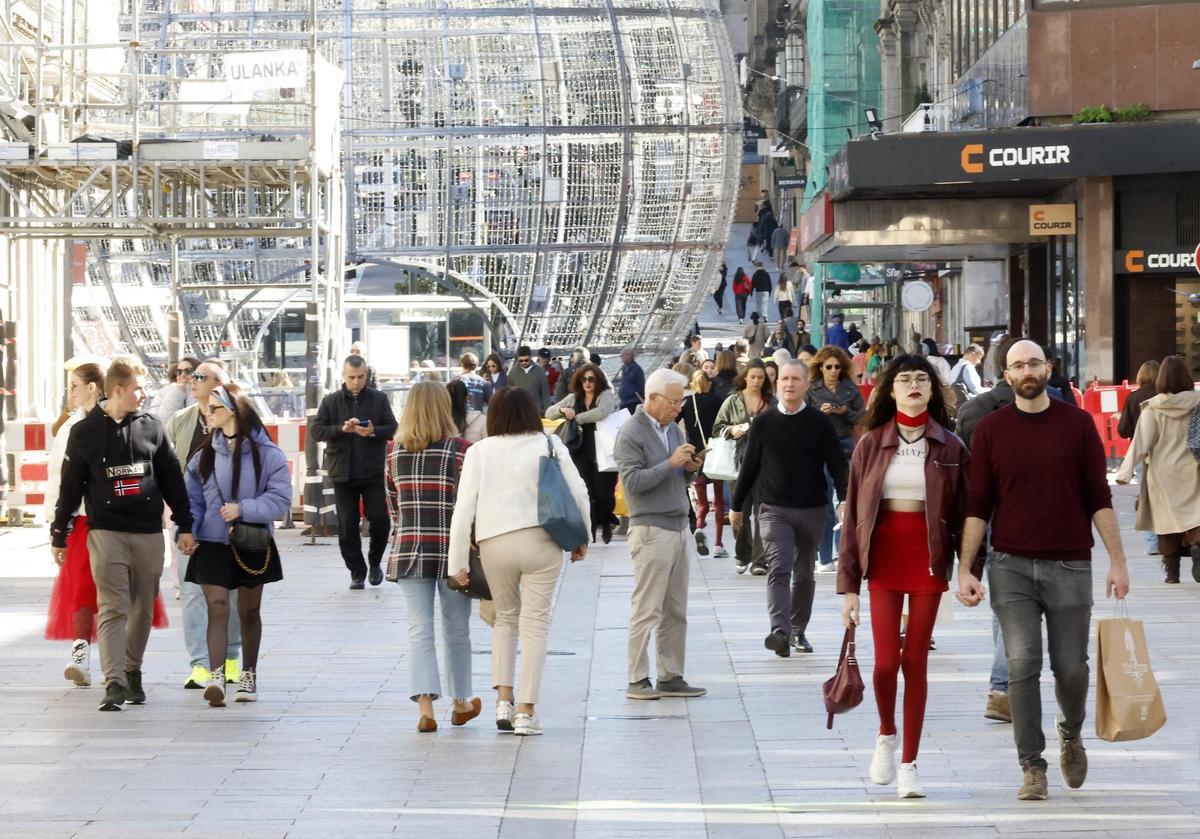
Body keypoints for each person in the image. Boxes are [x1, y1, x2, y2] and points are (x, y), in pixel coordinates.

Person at [957, 340, 1129, 802]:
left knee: (1071, 667)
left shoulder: (1076, 425)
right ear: (1006, 375)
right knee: (1022, 663)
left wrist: (1117, 560)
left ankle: (1070, 734)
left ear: (1048, 369)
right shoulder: (991, 429)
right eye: (1017, 365)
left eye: (1034, 363)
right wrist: (966, 568)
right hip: (1009, 565)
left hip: (1070, 562)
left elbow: (1099, 494)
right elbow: (978, 504)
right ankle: (1032, 765)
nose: (1027, 370)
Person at [838, 355, 973, 798]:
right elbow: (854, 512)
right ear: (890, 391)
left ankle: (910, 763)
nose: (913, 385)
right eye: (904, 379)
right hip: (882, 559)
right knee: (884, 664)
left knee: (915, 660)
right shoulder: (869, 444)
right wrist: (848, 587)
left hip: (929, 560)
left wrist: (969, 567)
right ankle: (885, 733)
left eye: (921, 379)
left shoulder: (951, 446)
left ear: (933, 391)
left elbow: (968, 513)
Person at [50, 359, 195, 712]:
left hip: (147, 532)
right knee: (112, 606)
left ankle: (133, 671)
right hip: (105, 532)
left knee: (142, 609)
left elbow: (172, 478)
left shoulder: (152, 427)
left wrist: (185, 523)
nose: (142, 395)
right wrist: (60, 532)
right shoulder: (85, 432)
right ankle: (113, 681)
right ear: (118, 390)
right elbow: (70, 487)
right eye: (137, 389)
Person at [448, 387, 590, 736]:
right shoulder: (550, 444)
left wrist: (457, 564)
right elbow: (579, 491)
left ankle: (503, 702)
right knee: (536, 624)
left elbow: (463, 508)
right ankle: (527, 711)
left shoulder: (480, 451)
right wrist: (580, 537)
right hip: (542, 540)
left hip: (494, 542)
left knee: (504, 620)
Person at [734, 359, 848, 658]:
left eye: (795, 379)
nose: (789, 384)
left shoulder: (819, 422)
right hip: (773, 508)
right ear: (778, 383)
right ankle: (779, 630)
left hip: (812, 508)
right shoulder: (764, 422)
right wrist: (737, 506)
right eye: (784, 379)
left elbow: (837, 463)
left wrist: (845, 498)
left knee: (804, 572)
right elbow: (749, 467)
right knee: (779, 567)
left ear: (806, 384)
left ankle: (798, 630)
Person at [183, 387, 291, 706]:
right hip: (212, 542)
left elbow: (281, 499)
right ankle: (216, 676)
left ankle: (249, 675)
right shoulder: (203, 455)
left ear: (233, 410)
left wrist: (243, 508)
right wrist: (186, 529)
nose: (208, 412)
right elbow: (191, 499)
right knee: (216, 607)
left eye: (214, 406)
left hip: (251, 541)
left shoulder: (267, 453)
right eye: (206, 406)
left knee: (248, 610)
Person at [384, 381, 480, 732]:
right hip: (453, 553)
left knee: (418, 630)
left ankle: (425, 708)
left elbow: (392, 506)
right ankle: (461, 701)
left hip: (409, 550)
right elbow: (472, 505)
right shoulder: (462, 451)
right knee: (457, 629)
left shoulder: (394, 452)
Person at [615, 369, 708, 701]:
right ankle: (637, 677)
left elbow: (675, 480)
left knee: (675, 609)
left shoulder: (672, 429)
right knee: (647, 607)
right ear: (652, 399)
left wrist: (689, 467)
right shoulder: (630, 432)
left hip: (679, 525)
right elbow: (634, 484)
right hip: (651, 529)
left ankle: (671, 674)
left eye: (681, 401)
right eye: (673, 401)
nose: (679, 408)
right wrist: (670, 463)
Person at [166, 359, 243, 689]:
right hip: (191, 519)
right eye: (189, 375)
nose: (191, 379)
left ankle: (229, 659)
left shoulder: (242, 421)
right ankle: (199, 663)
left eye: (200, 376)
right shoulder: (180, 421)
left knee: (234, 594)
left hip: (232, 522)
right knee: (193, 592)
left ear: (221, 385)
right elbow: (169, 468)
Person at [312, 355, 399, 589]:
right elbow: (317, 431)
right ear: (344, 376)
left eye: (360, 377)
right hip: (342, 471)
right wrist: (341, 429)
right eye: (351, 377)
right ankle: (357, 571)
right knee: (347, 525)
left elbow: (393, 427)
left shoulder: (379, 399)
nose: (356, 382)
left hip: (371, 470)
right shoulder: (331, 401)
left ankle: (375, 562)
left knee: (380, 518)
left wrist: (373, 431)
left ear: (367, 376)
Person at [1116, 355, 1200, 583]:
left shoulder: (1153, 409)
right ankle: (1197, 551)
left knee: (1166, 522)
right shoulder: (1197, 403)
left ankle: (1172, 574)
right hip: (1194, 471)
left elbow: (1140, 444)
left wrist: (1123, 474)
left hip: (1163, 475)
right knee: (1195, 517)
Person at [713, 359, 775, 575]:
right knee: (739, 511)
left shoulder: (771, 402)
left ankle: (760, 560)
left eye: (760, 377)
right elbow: (717, 428)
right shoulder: (732, 401)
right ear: (745, 377)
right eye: (753, 377)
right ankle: (742, 553)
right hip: (738, 464)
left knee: (763, 513)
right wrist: (732, 430)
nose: (756, 381)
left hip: (765, 465)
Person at [546, 363, 619, 544]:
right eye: (584, 379)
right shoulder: (573, 398)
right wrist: (563, 410)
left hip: (602, 449)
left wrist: (577, 418)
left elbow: (602, 412)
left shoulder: (605, 395)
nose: (587, 383)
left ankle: (606, 520)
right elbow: (549, 412)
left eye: (591, 379)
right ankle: (591, 527)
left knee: (604, 493)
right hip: (579, 449)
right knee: (586, 491)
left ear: (598, 380)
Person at [1115, 359, 1161, 557]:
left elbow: (1124, 430)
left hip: (1142, 453)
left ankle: (1153, 544)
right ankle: (1170, 541)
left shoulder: (1134, 398)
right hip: (1166, 453)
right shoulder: (1166, 397)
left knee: (1146, 497)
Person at [681, 369, 727, 559]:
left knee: (702, 504)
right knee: (718, 502)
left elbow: (674, 420)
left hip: (696, 455)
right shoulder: (717, 401)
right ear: (708, 383)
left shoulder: (687, 403)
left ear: (692, 384)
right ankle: (718, 544)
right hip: (715, 453)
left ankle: (699, 528)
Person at [807, 346, 864, 458]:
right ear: (821, 368)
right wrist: (820, 413)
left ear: (841, 368)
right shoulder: (811, 390)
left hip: (845, 442)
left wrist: (845, 412)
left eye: (837, 367)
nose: (833, 371)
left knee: (845, 474)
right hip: (820, 442)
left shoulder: (850, 388)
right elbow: (803, 419)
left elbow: (863, 417)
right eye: (829, 367)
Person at [151, 356, 200, 423]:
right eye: (179, 372)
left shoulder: (205, 393)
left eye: (188, 371)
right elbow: (160, 422)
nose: (182, 375)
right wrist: (177, 392)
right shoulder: (163, 393)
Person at [506, 345, 551, 412]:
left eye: (526, 360)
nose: (524, 362)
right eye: (521, 361)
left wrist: (547, 411)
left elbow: (545, 393)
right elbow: (509, 393)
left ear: (530, 357)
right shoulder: (513, 372)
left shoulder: (540, 371)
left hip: (536, 411)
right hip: (518, 411)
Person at [617, 347, 645, 412]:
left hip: (632, 402)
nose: (621, 358)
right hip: (624, 401)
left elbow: (641, 385)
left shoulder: (637, 369)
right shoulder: (624, 368)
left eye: (622, 355)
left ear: (629, 356)